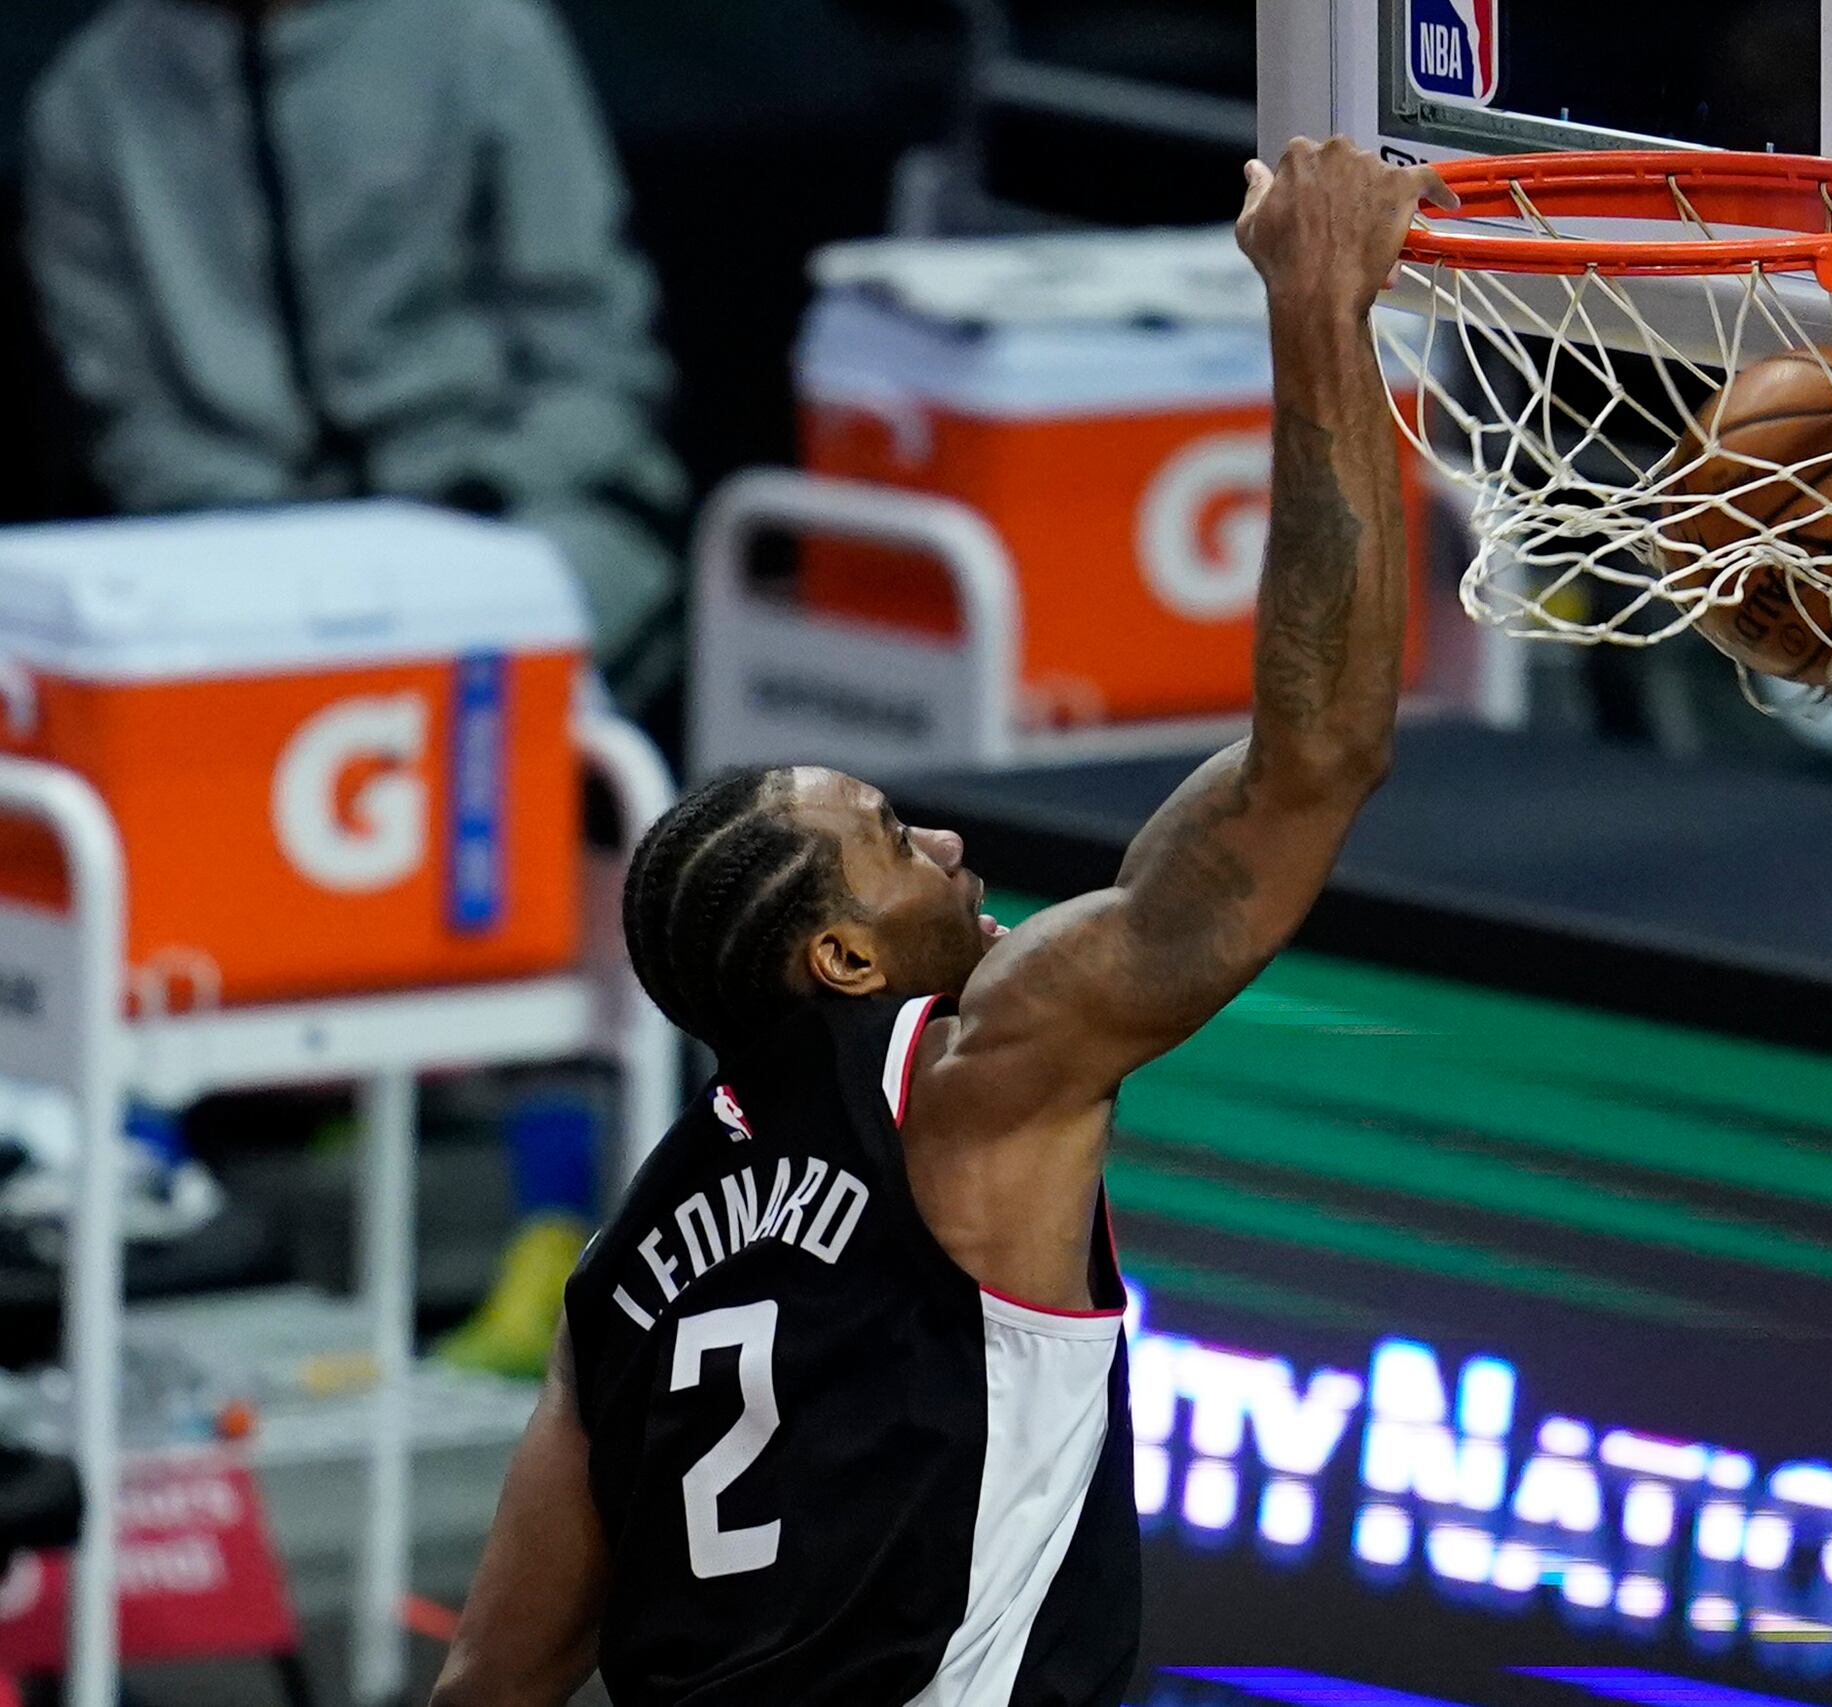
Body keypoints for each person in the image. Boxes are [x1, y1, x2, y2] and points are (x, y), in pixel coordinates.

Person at [427, 138, 1451, 1707]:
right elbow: (1321, 758)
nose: (951, 843)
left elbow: (491, 1679)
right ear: (839, 957)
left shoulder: (624, 1267)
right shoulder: (970, 1074)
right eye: (897, 842)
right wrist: (1322, 309)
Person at [22, 0, 688, 712]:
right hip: (233, 547)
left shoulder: (484, 32)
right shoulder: (87, 98)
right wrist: (286, 544)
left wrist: (474, 498)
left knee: (521, 641)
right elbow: (126, 417)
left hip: (507, 506)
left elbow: (595, 361)